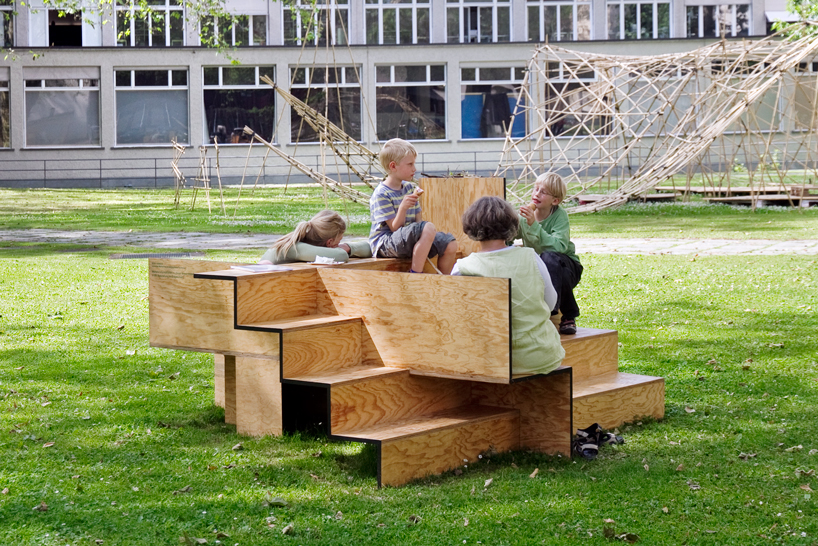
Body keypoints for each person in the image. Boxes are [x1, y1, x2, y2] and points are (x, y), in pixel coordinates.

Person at [452, 196, 564, 375]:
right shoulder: (531, 257)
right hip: (542, 355)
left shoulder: (462, 267)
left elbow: (457, 317)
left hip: (490, 360)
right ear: (511, 224)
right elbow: (551, 304)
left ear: (470, 225)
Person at [369, 138, 458, 274]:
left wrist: (426, 237)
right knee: (428, 227)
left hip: (407, 239)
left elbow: (418, 221)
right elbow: (394, 228)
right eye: (410, 164)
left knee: (449, 243)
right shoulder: (382, 194)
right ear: (393, 166)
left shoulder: (409, 188)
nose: (414, 169)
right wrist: (403, 208)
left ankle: (444, 283)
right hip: (386, 244)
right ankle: (415, 275)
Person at [518, 172, 583, 335]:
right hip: (539, 268)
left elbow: (558, 246)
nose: (536, 194)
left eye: (543, 192)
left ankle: (565, 314)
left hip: (567, 267)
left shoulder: (559, 216)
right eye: (535, 189)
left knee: (549, 257)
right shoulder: (525, 216)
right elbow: (510, 235)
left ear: (555, 201)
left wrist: (534, 226)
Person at [259, 210, 372, 264]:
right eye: (339, 241)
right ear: (329, 243)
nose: (339, 245)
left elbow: (370, 248)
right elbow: (341, 255)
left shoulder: (302, 243)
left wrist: (346, 246)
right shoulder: (296, 248)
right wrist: (345, 249)